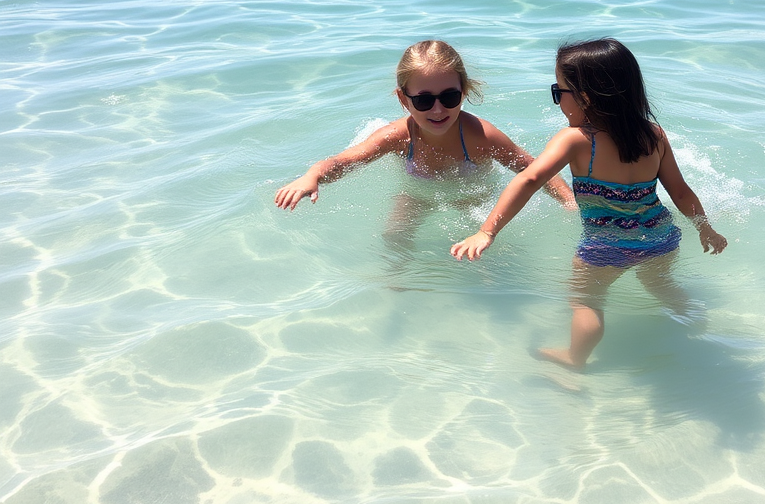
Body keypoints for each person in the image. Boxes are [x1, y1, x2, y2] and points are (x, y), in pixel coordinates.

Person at [451, 38, 727, 368]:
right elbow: (681, 192)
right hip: (660, 237)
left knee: (586, 301)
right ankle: (693, 322)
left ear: (584, 97)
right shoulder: (653, 134)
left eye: (559, 92)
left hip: (604, 247)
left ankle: (574, 359)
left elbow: (527, 180)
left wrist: (487, 231)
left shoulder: (576, 140)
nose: (558, 102)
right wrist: (705, 228)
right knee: (660, 283)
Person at [275, 41, 575, 248]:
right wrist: (312, 175)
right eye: (423, 100)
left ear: (464, 91)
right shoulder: (395, 136)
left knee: (483, 239)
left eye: (449, 97)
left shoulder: (480, 135)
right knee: (393, 236)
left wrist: (568, 203)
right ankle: (399, 285)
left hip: (472, 193)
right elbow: (346, 160)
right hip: (418, 192)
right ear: (403, 99)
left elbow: (531, 168)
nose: (437, 110)